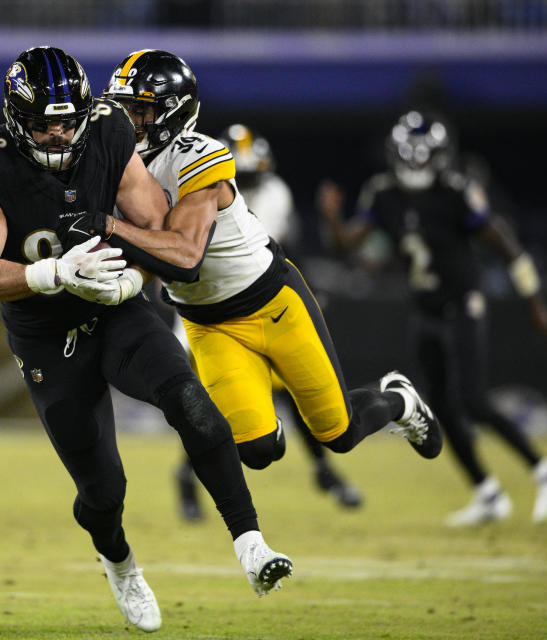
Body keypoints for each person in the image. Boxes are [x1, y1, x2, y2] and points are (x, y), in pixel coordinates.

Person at [0, 46, 292, 634]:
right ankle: (121, 564)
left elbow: (157, 228)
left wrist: (133, 277)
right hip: (45, 334)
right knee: (103, 491)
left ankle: (251, 543)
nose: (58, 133)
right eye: (42, 122)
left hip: (114, 307)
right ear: (14, 119)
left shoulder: (108, 128)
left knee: (191, 402)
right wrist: (51, 273)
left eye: (66, 118)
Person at [66, 51, 441, 488]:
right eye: (122, 107)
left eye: (140, 110)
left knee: (340, 432)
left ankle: (400, 401)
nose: (126, 120)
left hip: (271, 303)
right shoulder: (114, 164)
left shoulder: (197, 156)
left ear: (173, 112)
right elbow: (144, 250)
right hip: (208, 323)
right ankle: (259, 407)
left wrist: (111, 227)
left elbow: (186, 258)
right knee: (259, 450)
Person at [316, 110, 547, 526]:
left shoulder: (455, 191)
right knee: (442, 408)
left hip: (463, 302)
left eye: (422, 155)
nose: (414, 163)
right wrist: (330, 216)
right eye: (408, 154)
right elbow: (346, 244)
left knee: (472, 400)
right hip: (425, 306)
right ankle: (487, 493)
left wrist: (535, 301)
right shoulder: (383, 193)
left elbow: (505, 244)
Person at [173, 123, 363, 519]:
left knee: (299, 394)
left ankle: (324, 470)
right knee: (207, 404)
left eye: (253, 177)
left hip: (256, 301)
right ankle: (187, 477)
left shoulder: (272, 194)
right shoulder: (190, 186)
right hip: (206, 308)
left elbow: (272, 248)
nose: (246, 185)